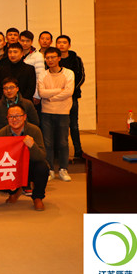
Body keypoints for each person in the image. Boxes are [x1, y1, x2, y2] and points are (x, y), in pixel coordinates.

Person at [0, 104, 50, 211]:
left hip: (30, 166)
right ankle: (14, 192)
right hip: (12, 167)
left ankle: (37, 197)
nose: (14, 119)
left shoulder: (34, 130)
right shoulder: (1, 133)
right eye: (11, 117)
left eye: (18, 116)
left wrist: (32, 146)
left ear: (24, 117)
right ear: (7, 118)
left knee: (42, 167)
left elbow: (41, 156)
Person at [38, 47, 75, 182]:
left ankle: (63, 169)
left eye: (53, 57)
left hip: (63, 112)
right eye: (47, 58)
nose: (50, 60)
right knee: (47, 142)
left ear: (59, 58)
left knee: (63, 142)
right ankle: (50, 169)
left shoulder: (68, 73)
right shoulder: (43, 74)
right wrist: (60, 90)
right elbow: (42, 93)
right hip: (46, 112)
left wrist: (51, 97)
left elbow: (69, 92)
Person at [56, 35, 86, 159]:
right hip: (57, 97)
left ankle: (78, 150)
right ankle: (60, 151)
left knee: (73, 125)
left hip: (72, 96)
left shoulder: (76, 59)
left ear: (69, 45)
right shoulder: (54, 59)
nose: (61, 44)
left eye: (64, 42)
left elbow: (81, 77)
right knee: (59, 125)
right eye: (59, 42)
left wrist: (70, 91)